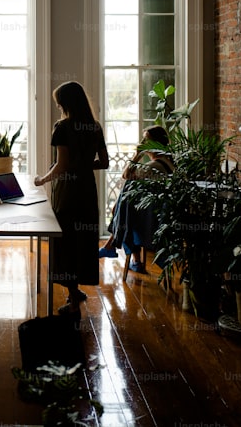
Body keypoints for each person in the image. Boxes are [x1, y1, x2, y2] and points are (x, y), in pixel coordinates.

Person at [34, 81, 110, 317]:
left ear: (66, 103)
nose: (57, 105)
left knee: (65, 241)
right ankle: (76, 291)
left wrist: (42, 180)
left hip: (68, 192)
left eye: (59, 101)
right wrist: (85, 166)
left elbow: (61, 165)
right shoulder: (95, 127)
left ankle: (72, 298)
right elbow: (105, 162)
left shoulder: (62, 127)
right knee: (83, 240)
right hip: (87, 190)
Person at [99, 125, 173, 274]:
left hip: (152, 220)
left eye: (146, 140)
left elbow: (126, 174)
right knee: (125, 205)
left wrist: (137, 155)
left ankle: (128, 256)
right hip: (159, 214)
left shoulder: (153, 166)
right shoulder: (169, 163)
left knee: (125, 212)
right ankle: (120, 252)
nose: (142, 143)